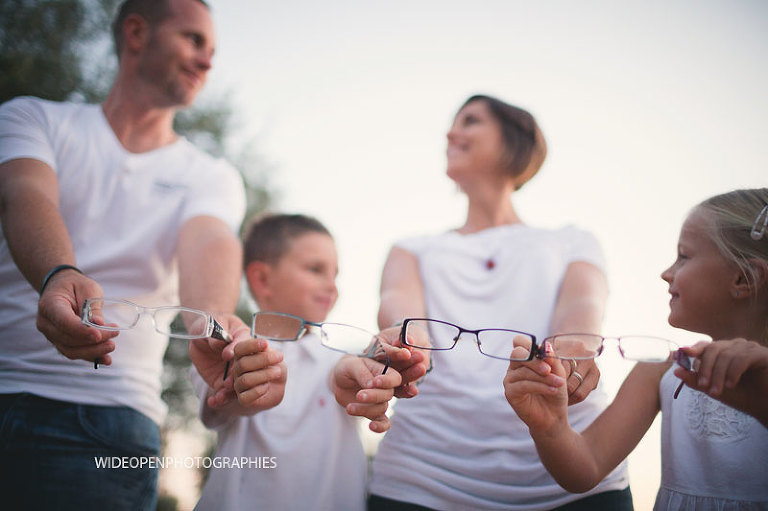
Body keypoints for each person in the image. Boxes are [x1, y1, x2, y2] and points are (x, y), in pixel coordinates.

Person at [0, 1, 247, 509]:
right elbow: (25, 194)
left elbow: (210, 241)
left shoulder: (209, 175)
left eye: (212, 50)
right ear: (136, 32)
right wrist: (59, 273)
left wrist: (212, 326)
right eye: (193, 40)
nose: (207, 62)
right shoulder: (31, 117)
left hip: (106, 427)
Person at [337, 95, 632, 510]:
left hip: (569, 482)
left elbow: (582, 309)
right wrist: (408, 344)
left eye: (470, 121)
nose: (451, 133)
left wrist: (573, 351)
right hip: (423, 479)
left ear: (515, 140)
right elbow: (400, 311)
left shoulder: (572, 241)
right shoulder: (411, 249)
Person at [504, 188, 768, 509]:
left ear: (745, 278)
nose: (666, 272)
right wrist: (549, 426)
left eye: (684, 256)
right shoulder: (661, 369)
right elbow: (585, 468)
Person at [193, 213, 408, 511]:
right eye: (315, 269)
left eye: (335, 274)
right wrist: (241, 386)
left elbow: (360, 364)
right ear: (263, 279)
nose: (331, 286)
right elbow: (222, 401)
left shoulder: (343, 356)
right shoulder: (228, 349)